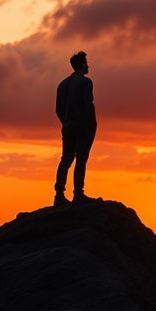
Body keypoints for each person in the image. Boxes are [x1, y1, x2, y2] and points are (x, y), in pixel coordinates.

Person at [54, 51, 97, 206]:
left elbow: (57, 109)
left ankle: (59, 195)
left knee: (65, 160)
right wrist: (92, 123)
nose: (88, 65)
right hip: (82, 125)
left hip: (67, 126)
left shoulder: (62, 84)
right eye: (86, 62)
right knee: (81, 160)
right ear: (82, 64)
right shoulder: (86, 82)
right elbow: (88, 104)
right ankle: (78, 194)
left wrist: (65, 122)